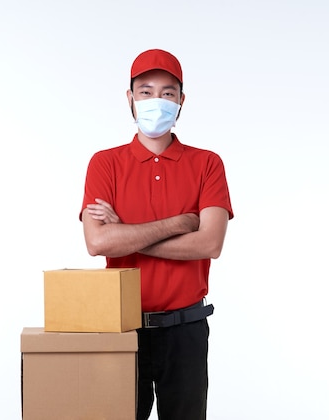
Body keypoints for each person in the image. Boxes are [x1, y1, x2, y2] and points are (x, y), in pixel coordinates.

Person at [79, 48, 233, 420]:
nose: (156, 101)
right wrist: (180, 223)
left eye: (167, 92)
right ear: (130, 99)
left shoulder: (207, 163)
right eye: (145, 92)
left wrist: (127, 233)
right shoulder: (105, 163)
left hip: (186, 329)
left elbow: (210, 244)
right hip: (121, 327)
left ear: (181, 101)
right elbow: (97, 242)